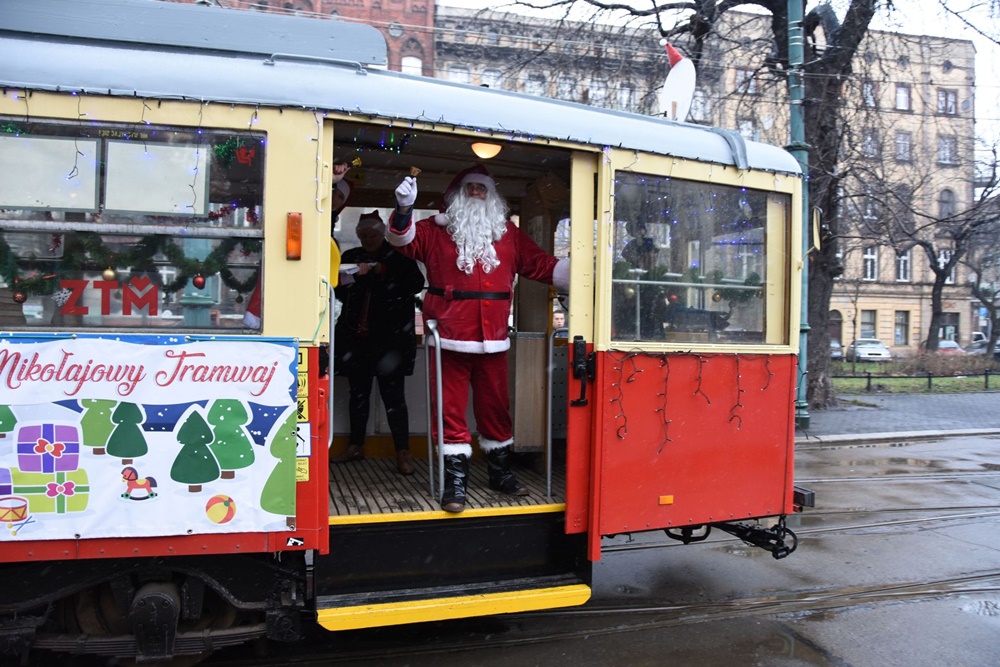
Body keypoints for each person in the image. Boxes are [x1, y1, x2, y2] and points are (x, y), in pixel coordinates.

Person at [389, 164, 569, 512]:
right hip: (449, 337)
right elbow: (401, 241)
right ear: (456, 195)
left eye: (482, 188)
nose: (476, 193)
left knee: (496, 409)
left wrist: (580, 270)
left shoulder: (509, 235)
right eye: (469, 188)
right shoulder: (433, 230)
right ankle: (455, 483)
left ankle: (500, 473)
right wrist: (403, 210)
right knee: (449, 410)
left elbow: (542, 266)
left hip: (495, 339)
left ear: (492, 196)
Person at [330, 211, 425, 475]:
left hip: (390, 342)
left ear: (382, 233)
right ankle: (355, 445)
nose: (368, 239)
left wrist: (382, 272)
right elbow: (334, 289)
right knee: (357, 396)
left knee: (394, 399)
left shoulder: (400, 257)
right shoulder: (350, 258)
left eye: (372, 235)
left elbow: (416, 284)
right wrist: (352, 278)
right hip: (356, 339)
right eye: (364, 236)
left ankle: (403, 453)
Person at [242, 162, 353, 329]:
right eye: (333, 192)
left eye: (340, 197)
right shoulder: (310, 211)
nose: (334, 199)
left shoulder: (327, 223)